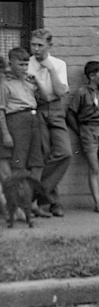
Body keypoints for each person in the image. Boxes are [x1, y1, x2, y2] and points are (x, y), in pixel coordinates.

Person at [27, 29, 70, 216]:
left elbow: (60, 93)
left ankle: (34, 194)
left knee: (65, 152)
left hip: (56, 109)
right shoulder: (27, 64)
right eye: (33, 44)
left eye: (40, 45)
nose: (36, 49)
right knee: (44, 155)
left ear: (49, 46)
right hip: (37, 110)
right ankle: (54, 203)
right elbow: (38, 95)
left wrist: (50, 68)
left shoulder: (59, 64)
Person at [66, 60, 99, 213]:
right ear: (91, 76)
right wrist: (80, 131)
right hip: (88, 131)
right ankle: (98, 203)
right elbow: (70, 114)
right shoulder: (82, 93)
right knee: (94, 168)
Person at [2, 47, 47, 207]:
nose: (24, 68)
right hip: (16, 121)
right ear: (10, 64)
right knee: (19, 165)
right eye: (20, 64)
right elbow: (1, 110)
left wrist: (37, 81)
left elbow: (45, 97)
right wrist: (6, 133)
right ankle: (22, 205)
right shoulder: (5, 84)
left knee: (37, 163)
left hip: (33, 120)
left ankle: (32, 204)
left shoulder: (28, 82)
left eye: (26, 64)